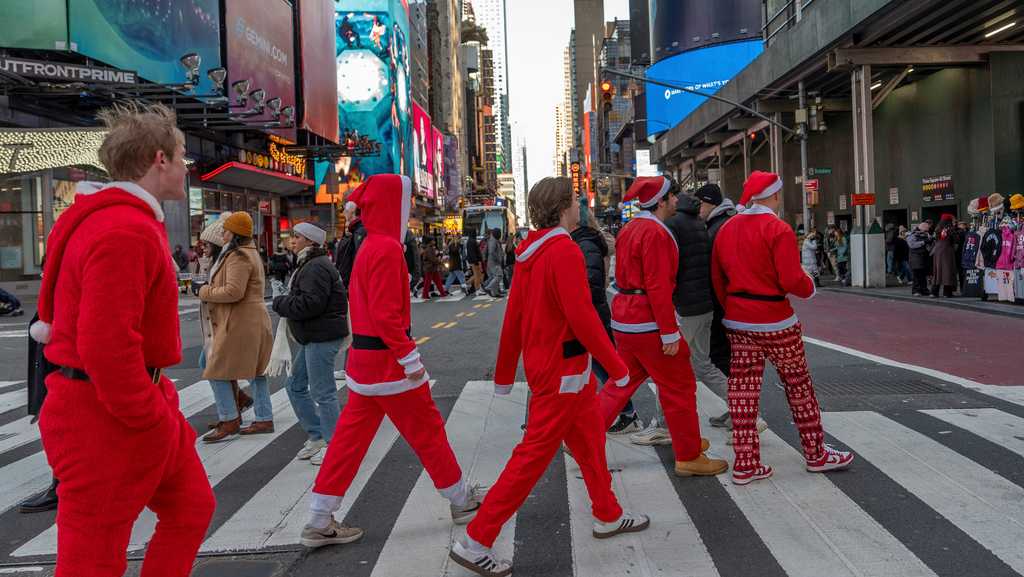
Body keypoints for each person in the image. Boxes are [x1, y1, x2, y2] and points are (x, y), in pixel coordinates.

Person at [29, 103, 214, 577]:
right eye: (181, 156)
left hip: (130, 402)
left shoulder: (115, 220)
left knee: (191, 507)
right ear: (159, 160)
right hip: (103, 414)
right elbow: (106, 346)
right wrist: (151, 418)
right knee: (92, 556)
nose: (186, 168)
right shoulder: (125, 230)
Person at [450, 177, 648, 576]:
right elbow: (583, 318)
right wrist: (618, 367)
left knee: (590, 441)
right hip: (564, 371)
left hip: (555, 369)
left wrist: (507, 372)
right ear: (562, 208)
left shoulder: (529, 253)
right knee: (533, 456)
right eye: (575, 200)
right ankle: (476, 539)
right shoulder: (563, 251)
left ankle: (607, 513)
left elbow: (515, 318)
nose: (580, 206)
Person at [304, 175, 483, 548]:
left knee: (348, 443)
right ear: (393, 204)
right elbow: (387, 316)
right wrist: (409, 357)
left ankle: (319, 517)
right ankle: (462, 500)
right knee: (428, 432)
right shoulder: (385, 247)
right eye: (406, 201)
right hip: (389, 366)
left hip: (365, 365)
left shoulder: (370, 244)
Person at [711, 171, 853, 485]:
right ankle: (816, 453)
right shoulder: (778, 228)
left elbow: (718, 278)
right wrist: (810, 287)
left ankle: (746, 463)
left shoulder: (728, 228)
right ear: (774, 196)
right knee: (798, 384)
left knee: (742, 391)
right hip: (775, 320)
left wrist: (732, 308)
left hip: (738, 318)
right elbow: (792, 280)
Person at [598, 176, 727, 478]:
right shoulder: (656, 232)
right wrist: (669, 331)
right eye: (672, 197)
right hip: (649, 324)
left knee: (620, 383)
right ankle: (689, 454)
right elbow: (658, 286)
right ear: (661, 201)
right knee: (679, 387)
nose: (676, 200)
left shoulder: (630, 228)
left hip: (626, 321)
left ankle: (583, 440)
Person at [272, 222, 349, 465]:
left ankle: (334, 444)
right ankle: (318, 435)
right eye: (292, 236)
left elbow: (310, 304)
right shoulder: (310, 264)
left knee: (322, 392)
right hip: (313, 335)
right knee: (295, 386)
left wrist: (279, 302)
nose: (292, 241)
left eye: (297, 237)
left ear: (310, 241)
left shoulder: (314, 267)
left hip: (321, 335)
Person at [198, 212, 275, 443]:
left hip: (241, 321)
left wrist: (203, 291)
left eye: (225, 230)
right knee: (254, 371)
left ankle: (230, 417)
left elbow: (233, 292)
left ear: (234, 233)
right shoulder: (244, 252)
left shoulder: (238, 256)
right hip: (246, 320)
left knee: (215, 367)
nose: (222, 233)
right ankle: (259, 415)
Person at [571, 212, 641, 434]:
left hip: (591, 312)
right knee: (592, 363)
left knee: (600, 363)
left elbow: (590, 283)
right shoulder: (590, 241)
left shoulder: (587, 244)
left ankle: (627, 411)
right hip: (593, 311)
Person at [334, 202, 367, 289]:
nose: (344, 212)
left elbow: (357, 259)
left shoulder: (359, 231)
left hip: (353, 282)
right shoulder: (355, 230)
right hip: (350, 281)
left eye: (345, 210)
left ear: (352, 212)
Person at [931, 214, 958, 298]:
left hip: (938, 250)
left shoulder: (937, 228)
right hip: (947, 250)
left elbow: (935, 238)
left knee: (937, 271)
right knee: (948, 271)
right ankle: (947, 293)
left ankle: (934, 292)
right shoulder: (950, 228)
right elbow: (955, 239)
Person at [907, 222, 934, 296]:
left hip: (923, 258)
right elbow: (912, 245)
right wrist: (924, 242)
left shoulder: (925, 235)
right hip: (916, 258)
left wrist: (930, 242)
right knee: (916, 275)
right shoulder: (912, 234)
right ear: (923, 228)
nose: (927, 231)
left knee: (922, 275)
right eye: (926, 230)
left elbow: (929, 248)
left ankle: (923, 290)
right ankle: (916, 290)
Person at [484, 228, 505, 297]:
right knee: (499, 275)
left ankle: (495, 292)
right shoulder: (493, 241)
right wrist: (498, 259)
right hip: (494, 262)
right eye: (499, 233)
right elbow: (492, 252)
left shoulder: (493, 240)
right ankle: (488, 287)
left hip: (491, 261)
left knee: (494, 277)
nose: (500, 234)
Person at [465, 228, 484, 295]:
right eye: (476, 231)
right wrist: (476, 261)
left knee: (477, 275)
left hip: (473, 260)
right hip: (475, 260)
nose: (477, 232)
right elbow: (473, 252)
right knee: (477, 275)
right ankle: (477, 290)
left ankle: (465, 285)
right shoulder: (472, 241)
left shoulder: (470, 241)